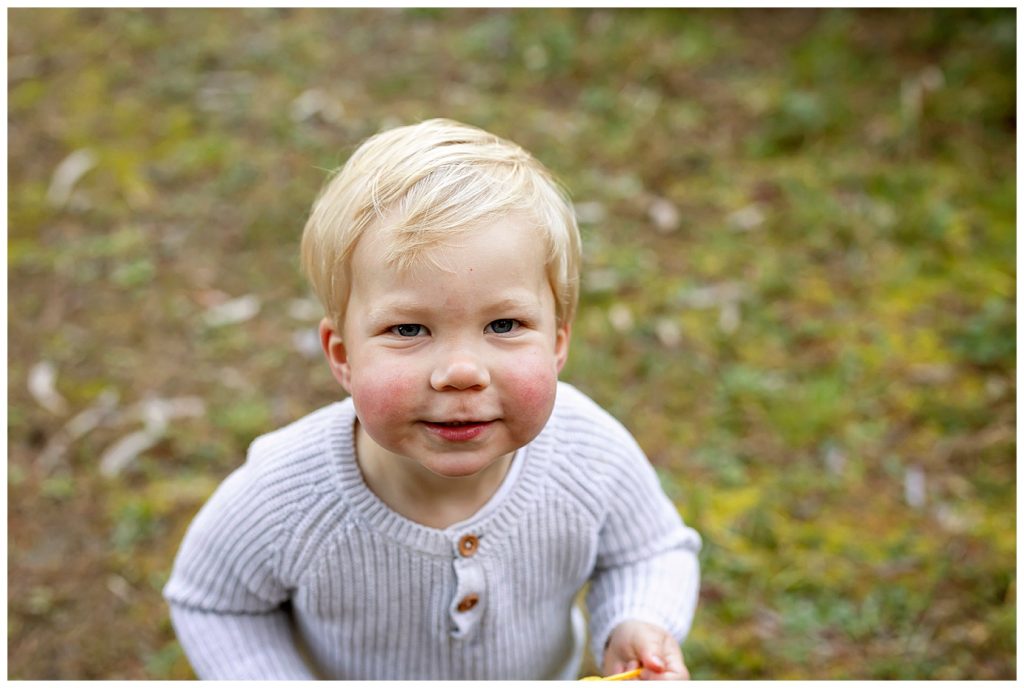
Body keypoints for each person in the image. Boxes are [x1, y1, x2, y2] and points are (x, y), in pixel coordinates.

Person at [163, 118, 702, 680]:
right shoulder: (284, 495)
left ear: (558, 341)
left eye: (504, 323)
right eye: (409, 330)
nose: (461, 372)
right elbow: (213, 599)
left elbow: (648, 550)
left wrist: (635, 620)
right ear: (343, 354)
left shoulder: (590, 454)